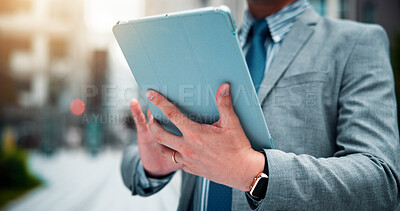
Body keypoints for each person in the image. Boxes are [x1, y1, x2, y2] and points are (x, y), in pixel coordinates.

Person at [121, 0, 400, 210]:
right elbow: (133, 158)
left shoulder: (356, 43)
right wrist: (155, 165)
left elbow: (381, 181)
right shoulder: (198, 46)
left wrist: (254, 172)